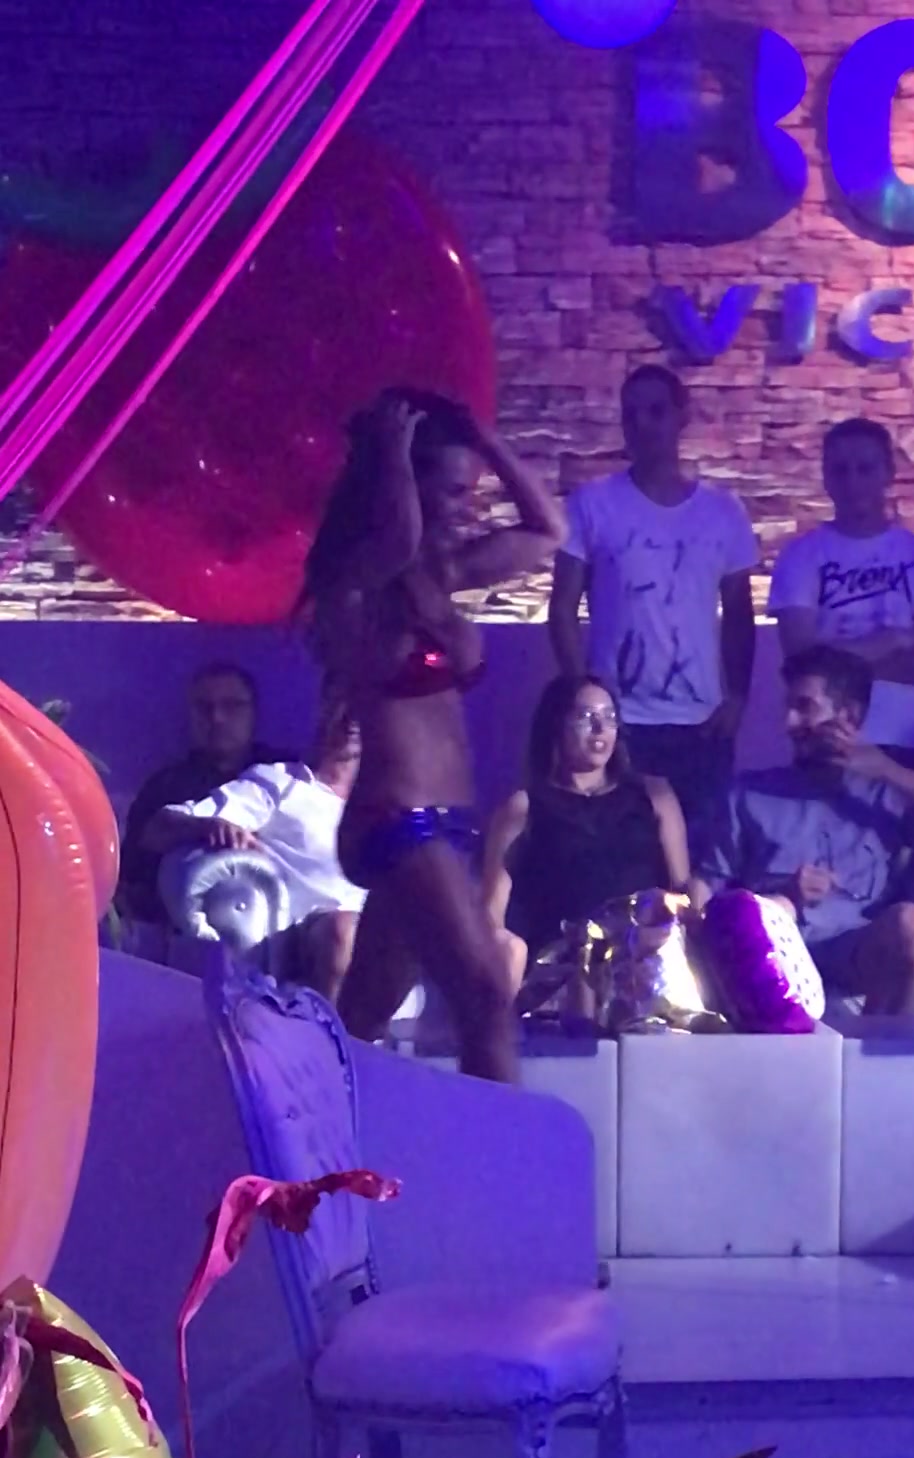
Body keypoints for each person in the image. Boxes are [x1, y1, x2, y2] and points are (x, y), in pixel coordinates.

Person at [303, 389, 565, 1081]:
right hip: (397, 821)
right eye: (448, 490)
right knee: (486, 999)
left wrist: (488, 441)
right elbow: (396, 541)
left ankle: (316, 1120)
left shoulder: (440, 577)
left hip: (447, 824)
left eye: (468, 491)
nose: (463, 508)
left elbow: (548, 531)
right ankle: (506, 1152)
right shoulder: (350, 584)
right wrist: (390, 453)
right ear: (403, 485)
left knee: (363, 1017)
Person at [696, 645, 914, 1014]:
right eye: (788, 707)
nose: (789, 722)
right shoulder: (748, 794)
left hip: (855, 948)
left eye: (805, 707)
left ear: (848, 716)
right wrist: (779, 896)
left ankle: (884, 1046)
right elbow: (706, 886)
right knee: (770, 917)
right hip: (771, 947)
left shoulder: (884, 795)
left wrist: (888, 769)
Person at [548, 364, 758, 831]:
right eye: (632, 414)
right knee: (613, 851)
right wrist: (581, 696)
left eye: (656, 411)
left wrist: (738, 699)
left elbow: (739, 613)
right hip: (617, 721)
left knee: (700, 853)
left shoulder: (723, 511)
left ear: (682, 416)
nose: (643, 424)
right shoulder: (591, 504)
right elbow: (561, 608)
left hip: (701, 723)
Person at [141, 687, 364, 1004]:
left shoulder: (385, 802)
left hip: (377, 926)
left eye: (361, 707)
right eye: (341, 705)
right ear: (322, 712)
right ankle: (325, 1032)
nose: (351, 719)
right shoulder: (280, 783)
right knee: (344, 930)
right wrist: (209, 826)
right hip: (316, 931)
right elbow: (158, 828)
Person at [769, 418, 914, 774]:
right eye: (840, 470)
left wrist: (840, 672)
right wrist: (892, 643)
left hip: (908, 737)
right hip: (824, 736)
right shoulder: (799, 556)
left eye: (865, 469)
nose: (852, 482)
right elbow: (801, 660)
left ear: (889, 472)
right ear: (825, 477)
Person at [482, 674, 692, 995]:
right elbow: (491, 914)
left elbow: (682, 889)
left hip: (643, 960)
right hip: (561, 963)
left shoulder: (653, 795)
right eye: (585, 717)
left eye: (609, 717)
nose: (600, 728)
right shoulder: (524, 806)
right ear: (556, 726)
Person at [119, 663, 280, 923]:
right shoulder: (165, 787)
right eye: (204, 708)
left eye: (232, 706)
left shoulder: (283, 776)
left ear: (253, 713)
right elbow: (134, 867)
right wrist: (201, 831)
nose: (217, 718)